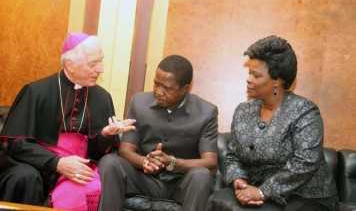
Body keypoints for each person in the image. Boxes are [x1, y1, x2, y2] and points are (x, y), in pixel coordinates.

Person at [0, 33, 135, 210]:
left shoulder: (102, 98)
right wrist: (57, 163)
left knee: (90, 186)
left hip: (80, 166)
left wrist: (105, 135)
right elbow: (16, 143)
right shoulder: (36, 91)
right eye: (93, 64)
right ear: (70, 65)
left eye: (101, 62)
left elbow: (97, 153)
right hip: (37, 163)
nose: (100, 69)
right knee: (24, 177)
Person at [207, 36, 338, 211]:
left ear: (277, 81)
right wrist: (238, 179)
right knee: (216, 199)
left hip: (306, 195)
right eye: (249, 73)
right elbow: (232, 155)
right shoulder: (242, 111)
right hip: (260, 192)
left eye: (256, 74)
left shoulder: (305, 111)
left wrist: (262, 192)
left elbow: (305, 162)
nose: (249, 79)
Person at [99, 55, 218, 211]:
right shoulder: (139, 102)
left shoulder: (206, 112)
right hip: (142, 178)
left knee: (201, 176)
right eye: (156, 84)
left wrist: (172, 163)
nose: (158, 91)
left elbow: (210, 162)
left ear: (186, 88)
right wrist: (144, 162)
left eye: (167, 88)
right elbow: (125, 150)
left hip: (180, 183)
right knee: (109, 162)